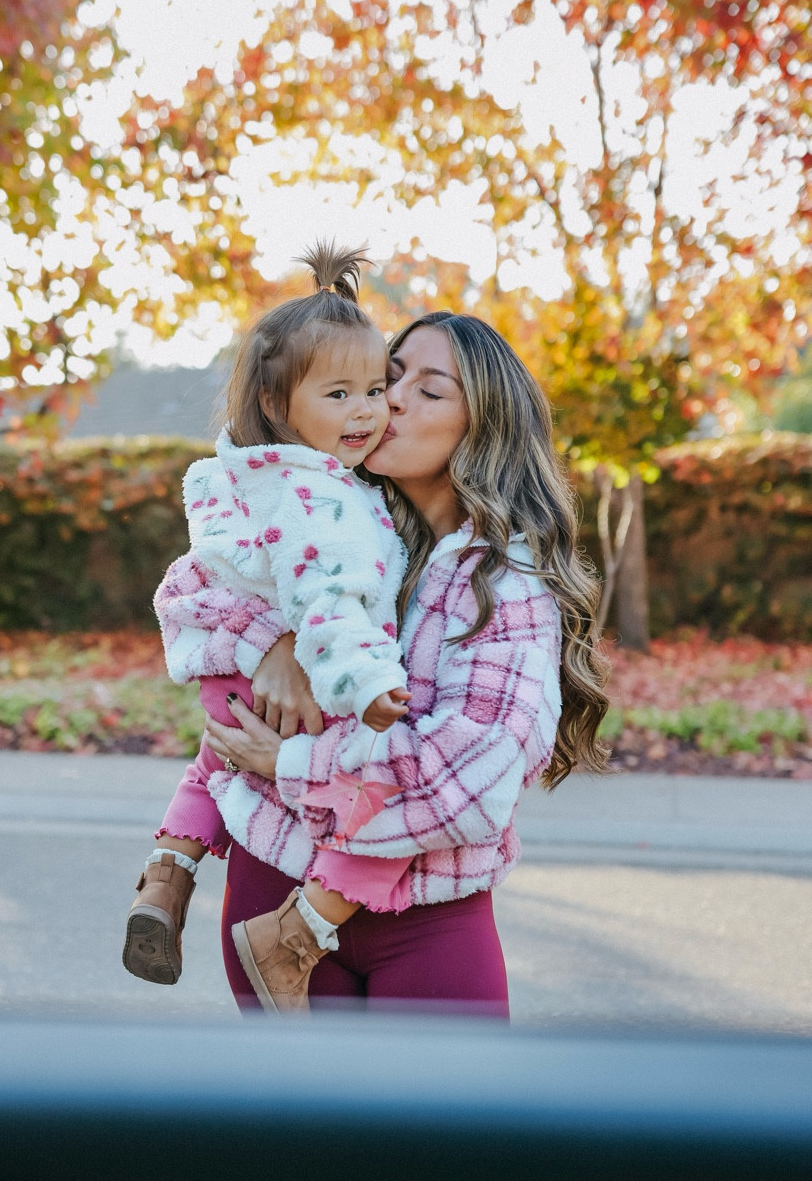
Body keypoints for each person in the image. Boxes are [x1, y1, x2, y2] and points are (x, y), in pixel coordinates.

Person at [166, 310, 610, 1013]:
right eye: (388, 377)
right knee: (302, 1123)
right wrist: (273, 645)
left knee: (444, 1124)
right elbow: (193, 591)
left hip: (426, 920)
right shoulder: (332, 516)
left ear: (484, 428)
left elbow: (462, 786)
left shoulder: (505, 587)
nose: (389, 400)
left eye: (430, 391)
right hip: (272, 877)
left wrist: (286, 764)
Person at [124, 242, 416, 1005]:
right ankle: (295, 936)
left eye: (376, 390)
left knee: (216, 762)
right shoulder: (320, 495)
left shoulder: (239, 473)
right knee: (378, 800)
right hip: (299, 675)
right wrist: (369, 682)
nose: (367, 412)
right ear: (280, 407)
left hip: (231, 673)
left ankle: (166, 874)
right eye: (341, 395)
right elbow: (326, 600)